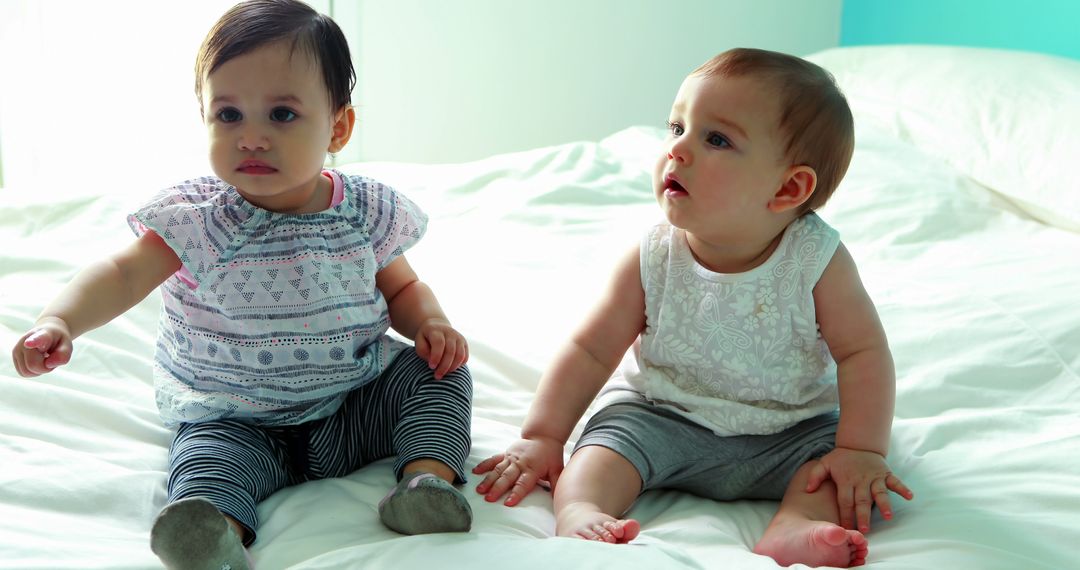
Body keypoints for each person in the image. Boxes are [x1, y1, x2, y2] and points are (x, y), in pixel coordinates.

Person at [10, 1, 474, 568]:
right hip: (234, 416)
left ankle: (425, 483)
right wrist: (60, 320)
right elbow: (121, 273)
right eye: (228, 115)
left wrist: (431, 323)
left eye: (281, 114)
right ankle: (213, 530)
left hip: (351, 402)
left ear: (339, 126)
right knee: (207, 460)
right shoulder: (197, 219)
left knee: (438, 374)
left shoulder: (364, 212)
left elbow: (403, 289)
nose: (251, 137)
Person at [473, 48, 914, 568]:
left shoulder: (818, 261)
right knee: (605, 446)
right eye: (677, 127)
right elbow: (591, 349)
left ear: (788, 188)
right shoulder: (655, 254)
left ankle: (794, 525)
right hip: (664, 417)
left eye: (716, 139)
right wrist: (544, 436)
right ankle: (582, 512)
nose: (678, 150)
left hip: (788, 429)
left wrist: (861, 449)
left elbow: (863, 353)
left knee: (828, 467)